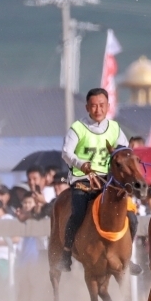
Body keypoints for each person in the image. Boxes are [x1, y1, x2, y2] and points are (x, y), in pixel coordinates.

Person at [58, 87, 131, 272]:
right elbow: (67, 152)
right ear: (87, 107)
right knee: (78, 213)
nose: (98, 110)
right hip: (82, 179)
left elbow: (124, 151)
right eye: (93, 106)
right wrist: (81, 164)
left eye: (101, 105)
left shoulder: (114, 128)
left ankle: (127, 256)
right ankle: (67, 252)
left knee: (130, 215)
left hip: (107, 181)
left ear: (108, 106)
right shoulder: (78, 128)